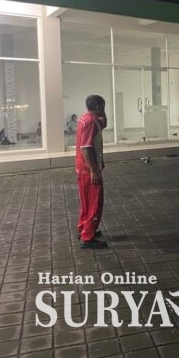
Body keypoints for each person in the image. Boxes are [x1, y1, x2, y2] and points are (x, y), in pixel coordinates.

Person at [75, 95, 108, 249]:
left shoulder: (86, 119)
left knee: (86, 201)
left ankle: (84, 228)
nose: (104, 109)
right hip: (89, 170)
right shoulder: (90, 123)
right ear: (97, 107)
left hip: (83, 169)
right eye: (102, 106)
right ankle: (88, 236)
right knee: (95, 202)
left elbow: (104, 123)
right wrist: (94, 170)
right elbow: (86, 148)